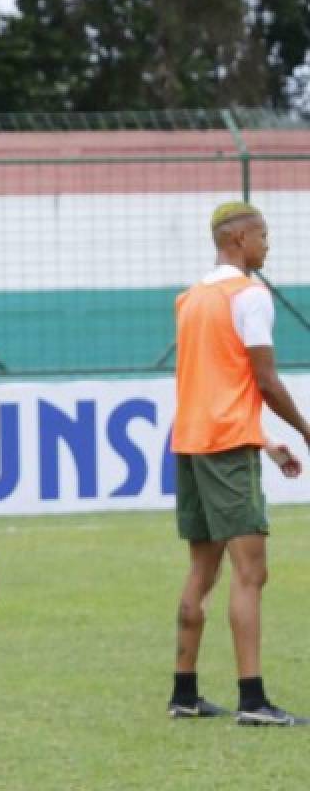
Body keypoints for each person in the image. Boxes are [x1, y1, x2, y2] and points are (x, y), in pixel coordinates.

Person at [168, 201, 310, 726]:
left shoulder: (191, 299)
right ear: (240, 239)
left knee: (202, 569)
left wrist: (267, 442)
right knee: (251, 572)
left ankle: (184, 693)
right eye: (264, 236)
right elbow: (265, 381)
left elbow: (217, 386)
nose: (268, 245)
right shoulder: (250, 296)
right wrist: (302, 427)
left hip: (192, 444)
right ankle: (253, 701)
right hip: (228, 449)